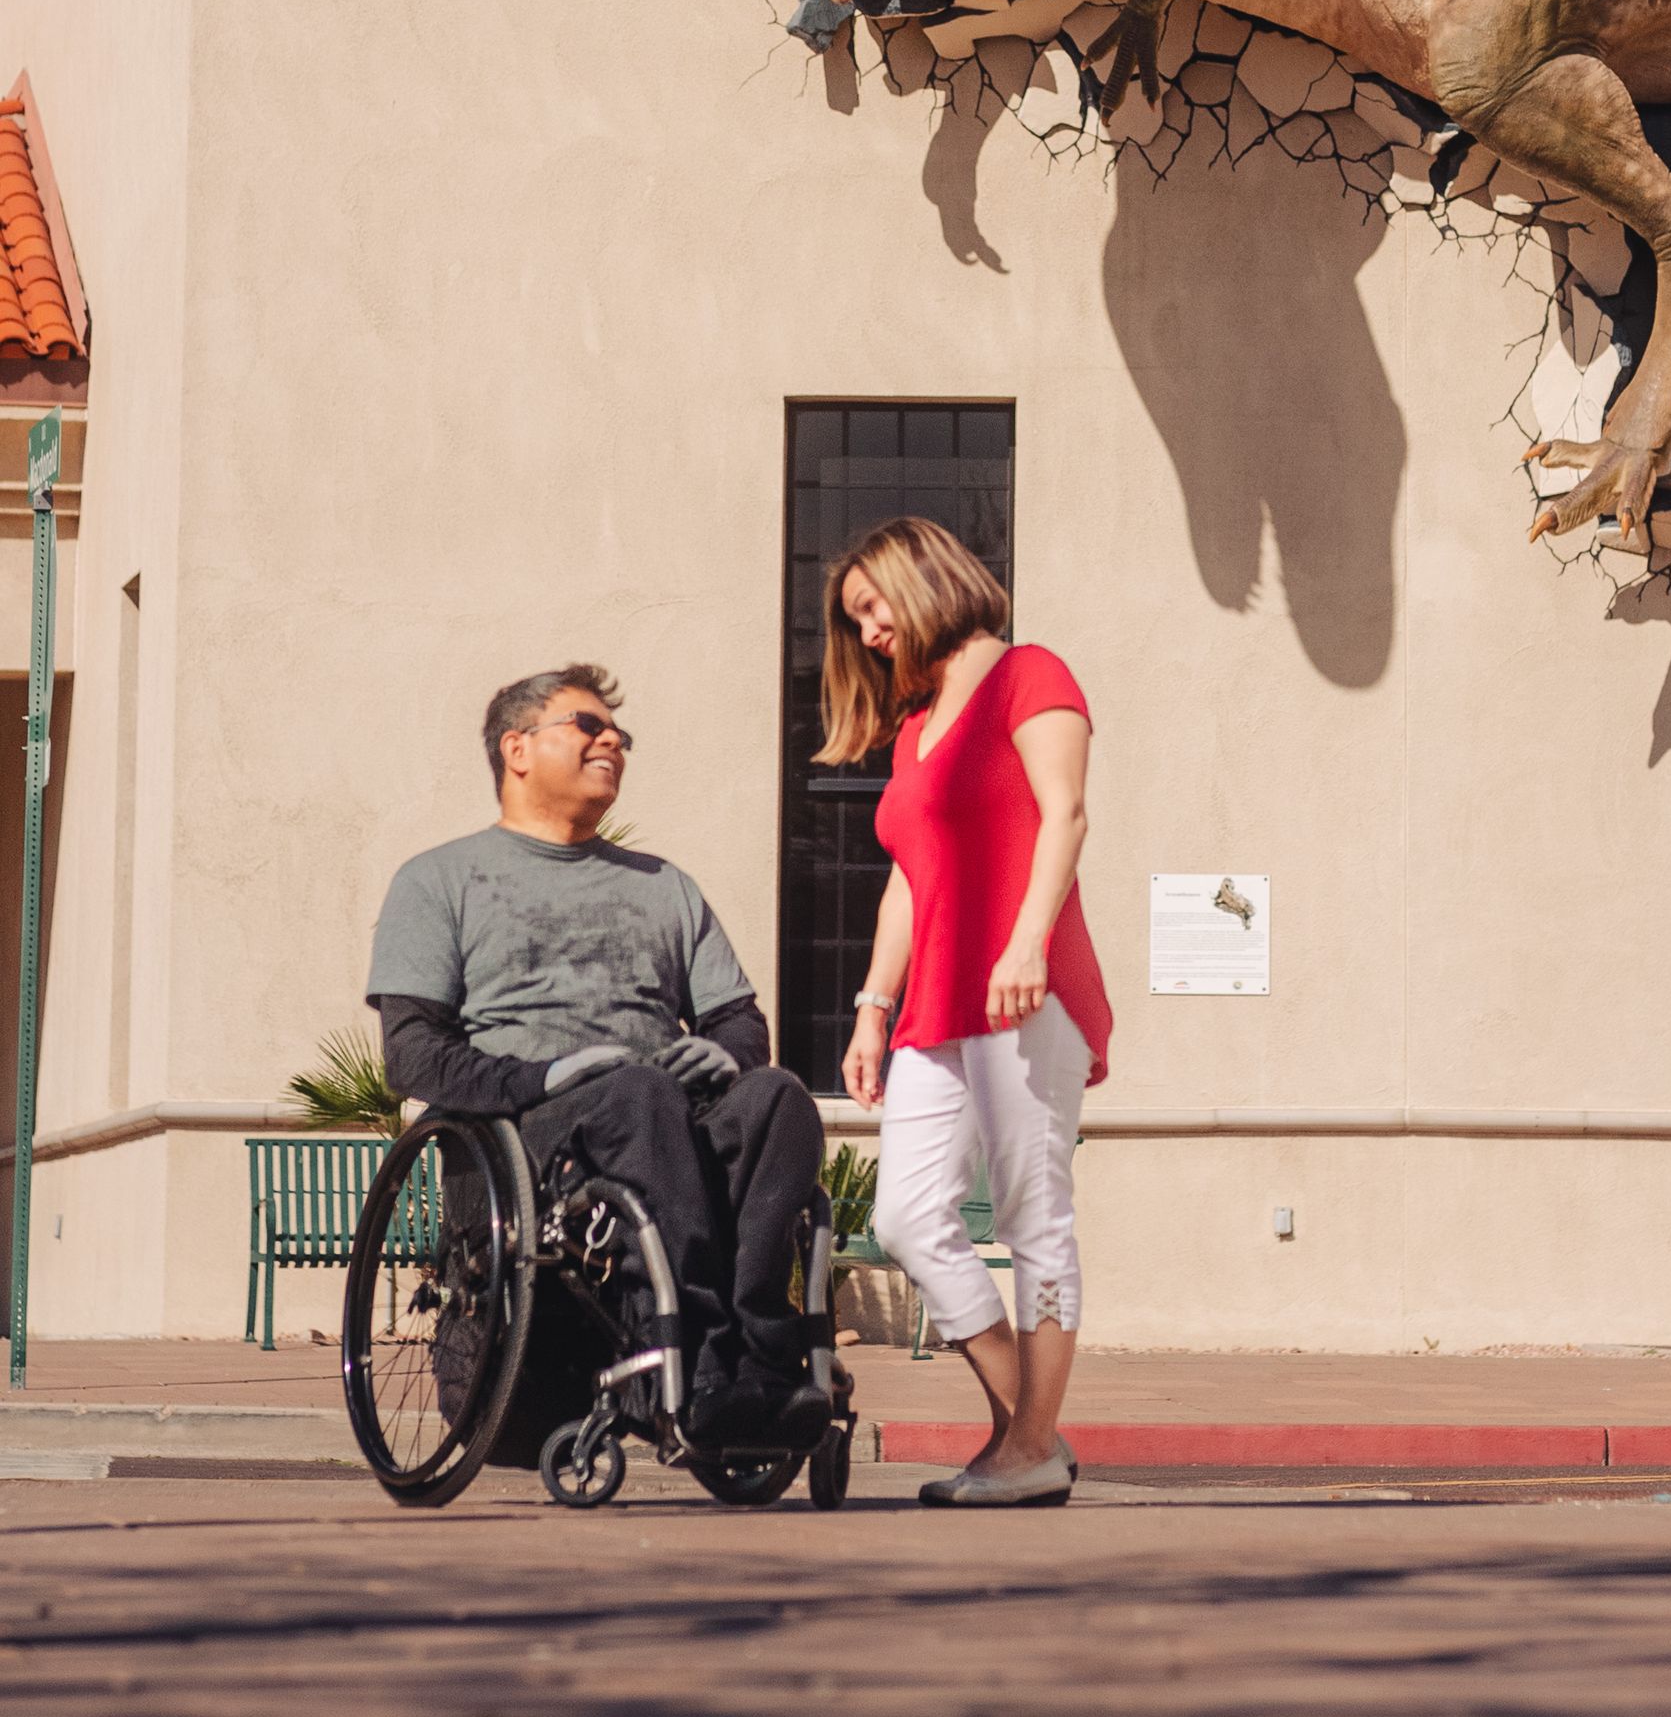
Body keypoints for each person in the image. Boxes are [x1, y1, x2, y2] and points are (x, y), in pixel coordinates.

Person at [366, 662, 829, 1450]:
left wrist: (720, 1055)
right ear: (517, 749)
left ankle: (761, 1354)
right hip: (531, 1140)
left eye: (619, 733)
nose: (612, 739)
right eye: (587, 725)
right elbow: (412, 1056)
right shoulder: (439, 879)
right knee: (636, 1093)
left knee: (777, 1095)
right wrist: (543, 1077)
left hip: (663, 1118)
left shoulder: (664, 886)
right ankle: (701, 1363)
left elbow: (741, 1023)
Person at [829, 519, 1112, 1506]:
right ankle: (1028, 1428)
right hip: (933, 1008)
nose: (868, 632)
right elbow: (907, 880)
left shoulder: (1030, 674)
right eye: (855, 618)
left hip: (1024, 994)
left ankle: (1026, 1446)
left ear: (922, 580)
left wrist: (1027, 940)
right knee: (907, 1218)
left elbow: (1063, 814)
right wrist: (871, 1008)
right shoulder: (914, 726)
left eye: (873, 607)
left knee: (1036, 1222)